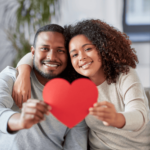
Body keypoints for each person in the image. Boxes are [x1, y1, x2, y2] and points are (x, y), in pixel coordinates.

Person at [13, 19, 150, 150]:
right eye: (74, 55)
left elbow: (140, 115)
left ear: (102, 47)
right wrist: (24, 71)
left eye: (88, 49)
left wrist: (115, 118)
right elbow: (38, 55)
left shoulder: (124, 75)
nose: (82, 57)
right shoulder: (75, 84)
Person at [0, 24, 88, 150]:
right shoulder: (11, 77)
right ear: (33, 52)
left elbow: (76, 145)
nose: (51, 57)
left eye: (60, 50)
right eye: (44, 48)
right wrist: (20, 121)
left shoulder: (75, 99)